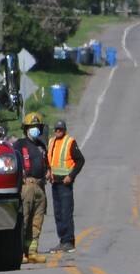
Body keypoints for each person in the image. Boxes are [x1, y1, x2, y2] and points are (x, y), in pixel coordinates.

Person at [12, 111, 49, 263]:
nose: (35, 129)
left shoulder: (41, 145)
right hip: (26, 186)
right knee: (24, 220)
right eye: (32, 126)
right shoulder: (19, 145)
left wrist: (48, 172)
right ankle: (19, 253)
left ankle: (32, 251)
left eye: (37, 126)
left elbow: (46, 162)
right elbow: (13, 162)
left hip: (41, 186)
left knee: (37, 221)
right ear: (26, 128)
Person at [46, 119, 85, 253]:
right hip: (54, 183)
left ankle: (69, 241)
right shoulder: (51, 142)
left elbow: (80, 160)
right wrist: (48, 171)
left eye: (60, 129)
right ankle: (62, 241)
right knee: (58, 214)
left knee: (66, 212)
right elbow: (49, 160)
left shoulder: (70, 142)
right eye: (56, 129)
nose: (58, 131)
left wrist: (71, 176)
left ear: (64, 130)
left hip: (65, 184)